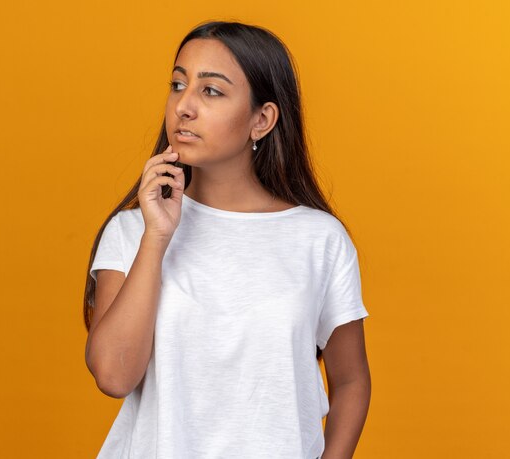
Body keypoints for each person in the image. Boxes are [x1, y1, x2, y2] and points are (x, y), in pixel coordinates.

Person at [83, 20, 371, 459]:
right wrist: (157, 236)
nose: (184, 106)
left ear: (262, 119)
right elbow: (113, 376)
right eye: (178, 84)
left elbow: (350, 381)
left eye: (211, 90)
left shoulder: (320, 241)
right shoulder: (133, 231)